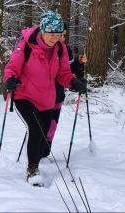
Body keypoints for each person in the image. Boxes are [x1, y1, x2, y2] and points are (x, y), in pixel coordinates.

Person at [3, 11, 87, 186]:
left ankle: (38, 158)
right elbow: (12, 67)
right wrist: (9, 80)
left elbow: (63, 74)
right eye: (51, 34)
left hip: (47, 98)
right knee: (36, 128)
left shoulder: (61, 49)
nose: (54, 38)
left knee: (44, 134)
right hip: (25, 95)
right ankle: (32, 170)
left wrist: (73, 82)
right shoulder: (25, 44)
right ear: (42, 31)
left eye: (58, 35)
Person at [42, 24, 88, 159]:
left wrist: (78, 63)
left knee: (52, 125)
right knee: (39, 127)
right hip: (41, 95)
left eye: (63, 35)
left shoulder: (65, 49)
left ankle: (45, 154)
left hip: (58, 93)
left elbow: (67, 70)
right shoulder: (42, 48)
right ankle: (35, 155)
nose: (61, 38)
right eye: (59, 35)